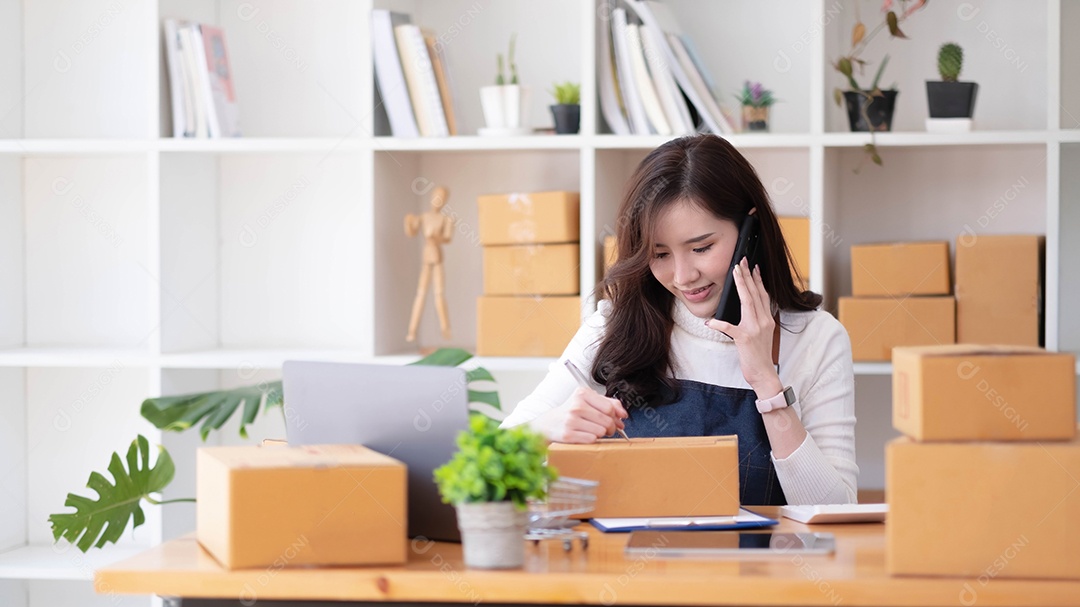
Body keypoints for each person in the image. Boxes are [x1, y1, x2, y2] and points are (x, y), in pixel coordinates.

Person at [501, 135, 857, 505]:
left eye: (701, 248)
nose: (683, 276)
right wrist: (545, 429)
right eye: (660, 254)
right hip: (634, 562)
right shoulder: (614, 325)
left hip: (764, 563)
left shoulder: (818, 338)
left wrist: (767, 384)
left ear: (749, 234)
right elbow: (492, 457)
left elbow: (834, 511)